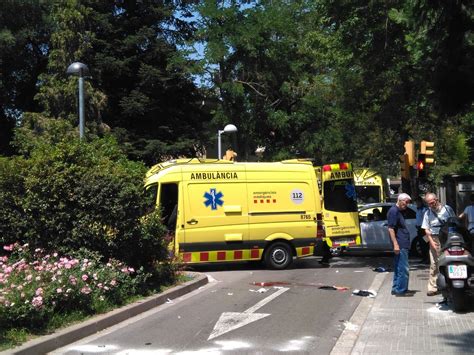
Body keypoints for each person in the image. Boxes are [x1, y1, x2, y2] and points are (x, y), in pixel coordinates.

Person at [422, 192, 455, 296]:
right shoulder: (427, 213)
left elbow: (454, 221)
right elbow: (426, 230)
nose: (432, 205)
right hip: (435, 238)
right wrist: (432, 243)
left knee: (449, 261)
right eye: (429, 204)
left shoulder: (447, 209)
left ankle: (450, 285)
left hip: (448, 238)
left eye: (432, 202)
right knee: (435, 264)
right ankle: (433, 287)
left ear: (437, 199)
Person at [387, 193, 413, 296]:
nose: (407, 204)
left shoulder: (398, 211)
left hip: (401, 243)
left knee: (398, 267)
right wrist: (395, 244)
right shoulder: (394, 211)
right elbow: (391, 229)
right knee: (403, 268)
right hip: (400, 243)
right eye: (406, 202)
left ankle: (396, 288)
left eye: (408, 202)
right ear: (400, 200)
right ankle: (401, 290)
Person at [415, 196, 429, 263]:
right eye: (416, 202)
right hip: (419, 229)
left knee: (426, 244)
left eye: (418, 202)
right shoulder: (418, 209)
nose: (417, 203)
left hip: (424, 229)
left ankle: (427, 258)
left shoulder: (424, 209)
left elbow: (425, 219)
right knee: (421, 244)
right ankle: (424, 258)